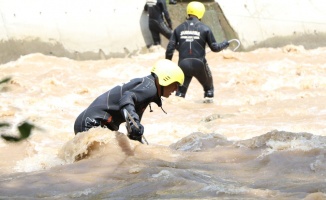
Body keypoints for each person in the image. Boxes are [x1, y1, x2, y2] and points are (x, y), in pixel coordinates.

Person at [74, 59, 184, 143]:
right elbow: (127, 98)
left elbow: (134, 132)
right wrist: (134, 122)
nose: (176, 89)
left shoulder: (148, 87)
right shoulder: (149, 88)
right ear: (166, 79)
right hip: (92, 123)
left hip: (91, 122)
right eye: (175, 84)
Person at [165, 1, 229, 101]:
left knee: (180, 94)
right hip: (200, 65)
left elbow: (170, 48)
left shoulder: (178, 29)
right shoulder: (205, 29)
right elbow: (215, 48)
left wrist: (167, 64)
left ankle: (179, 114)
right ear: (201, 13)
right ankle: (207, 111)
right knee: (209, 89)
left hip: (183, 65)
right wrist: (225, 43)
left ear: (188, 12)